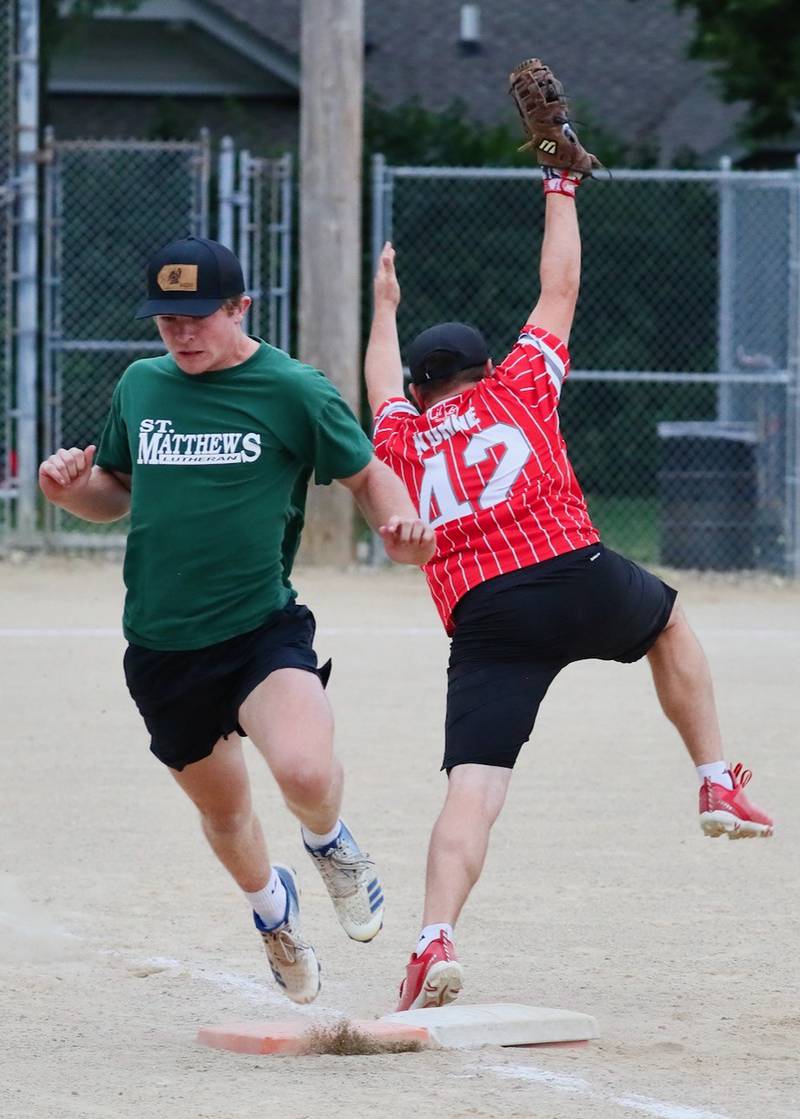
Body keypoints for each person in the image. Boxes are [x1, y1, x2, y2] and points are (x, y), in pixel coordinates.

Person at [364, 165, 774, 1012]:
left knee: (473, 787)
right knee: (667, 620)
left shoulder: (402, 437)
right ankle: (712, 776)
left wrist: (382, 309)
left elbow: (375, 384)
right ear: (483, 368)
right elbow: (563, 283)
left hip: (485, 613)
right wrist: (559, 182)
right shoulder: (519, 385)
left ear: (418, 390)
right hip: (570, 569)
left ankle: (433, 937)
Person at [39, 235, 435, 1005]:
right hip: (161, 645)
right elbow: (116, 490)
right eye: (166, 320)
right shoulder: (141, 384)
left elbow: (364, 472)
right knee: (226, 813)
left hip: (259, 627)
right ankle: (272, 913)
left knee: (307, 772)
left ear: (239, 307)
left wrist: (401, 529)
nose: (181, 334)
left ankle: (330, 843)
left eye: (197, 318)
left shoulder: (292, 388)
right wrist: (67, 492)